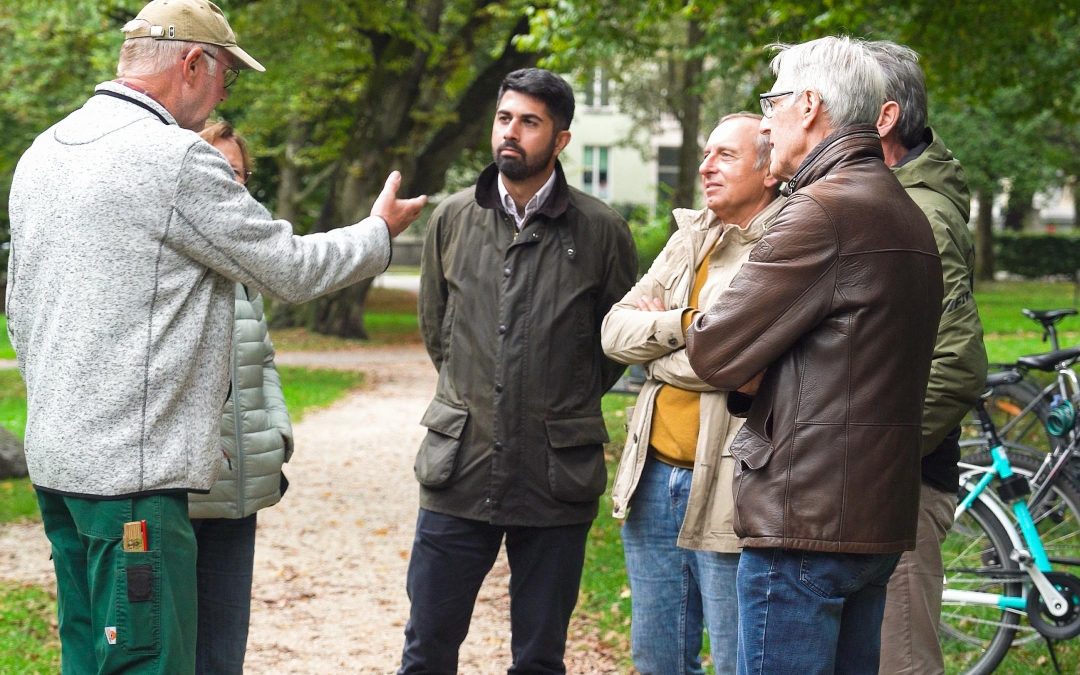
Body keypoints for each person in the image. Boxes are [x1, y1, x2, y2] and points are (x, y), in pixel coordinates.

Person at [4, 0, 425, 672]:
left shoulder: (43, 152)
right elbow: (290, 268)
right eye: (227, 73)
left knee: (88, 658)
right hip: (135, 486)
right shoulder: (175, 159)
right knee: (148, 662)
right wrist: (378, 232)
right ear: (193, 62)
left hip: (60, 470)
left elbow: (19, 311)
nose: (226, 92)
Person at [683, 36, 944, 673]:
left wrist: (749, 360)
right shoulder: (905, 211)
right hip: (871, 521)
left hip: (804, 522)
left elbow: (713, 348)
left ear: (808, 106)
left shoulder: (821, 212)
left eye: (771, 104)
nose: (764, 124)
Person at [401, 67, 637, 674]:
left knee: (539, 659)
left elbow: (613, 345)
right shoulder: (453, 218)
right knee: (427, 650)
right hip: (460, 465)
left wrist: (560, 398)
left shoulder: (602, 230)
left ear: (560, 139)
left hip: (556, 476)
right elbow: (438, 328)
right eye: (504, 118)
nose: (511, 132)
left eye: (530, 122)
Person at [600, 113, 783, 674]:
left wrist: (656, 352)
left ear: (769, 170)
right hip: (652, 476)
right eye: (706, 154)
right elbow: (613, 331)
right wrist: (687, 322)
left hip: (730, 483)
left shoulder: (783, 244)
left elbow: (744, 366)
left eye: (725, 155)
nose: (706, 167)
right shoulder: (692, 236)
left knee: (736, 659)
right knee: (657, 659)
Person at [869, 41, 988, 675]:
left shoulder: (920, 216)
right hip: (875, 482)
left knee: (902, 662)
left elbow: (958, 362)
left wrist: (880, 453)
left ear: (883, 119)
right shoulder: (885, 200)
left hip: (902, 489)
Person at [188, 119, 293, 674]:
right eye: (221, 172)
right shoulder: (175, 261)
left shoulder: (246, 266)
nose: (234, 186)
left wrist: (277, 432)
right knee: (170, 649)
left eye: (240, 175)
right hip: (180, 490)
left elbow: (264, 358)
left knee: (224, 653)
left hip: (240, 491)